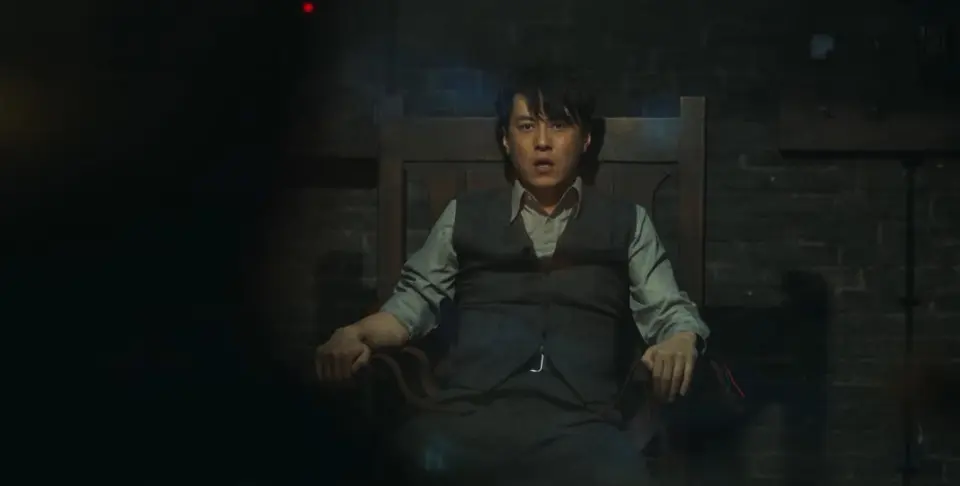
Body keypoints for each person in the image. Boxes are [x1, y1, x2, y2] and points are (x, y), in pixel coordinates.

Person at [316, 66, 711, 485]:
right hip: (468, 416)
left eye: (558, 125)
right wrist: (357, 333)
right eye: (526, 126)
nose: (542, 142)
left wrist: (681, 339)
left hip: (583, 424)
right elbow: (413, 302)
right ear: (506, 140)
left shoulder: (628, 222)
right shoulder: (464, 216)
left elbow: (668, 308)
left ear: (585, 139)